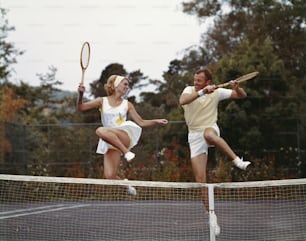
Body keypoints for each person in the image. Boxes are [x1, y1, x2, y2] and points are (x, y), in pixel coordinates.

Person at [179, 68, 251, 235]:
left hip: (210, 128)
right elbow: (183, 101)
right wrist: (202, 92)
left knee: (209, 134)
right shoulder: (189, 90)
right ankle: (211, 215)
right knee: (200, 180)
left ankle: (237, 160)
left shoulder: (217, 92)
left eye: (199, 81)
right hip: (194, 135)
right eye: (195, 79)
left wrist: (236, 87)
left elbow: (241, 96)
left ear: (208, 82)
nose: (195, 83)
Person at [77, 75, 168, 195]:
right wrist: (81, 95)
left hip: (124, 136)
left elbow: (141, 122)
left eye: (128, 85)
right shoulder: (102, 101)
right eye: (125, 84)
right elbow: (81, 107)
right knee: (109, 176)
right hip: (111, 141)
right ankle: (126, 185)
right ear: (116, 85)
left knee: (100, 130)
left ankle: (126, 152)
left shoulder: (127, 104)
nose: (127, 86)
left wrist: (156, 121)